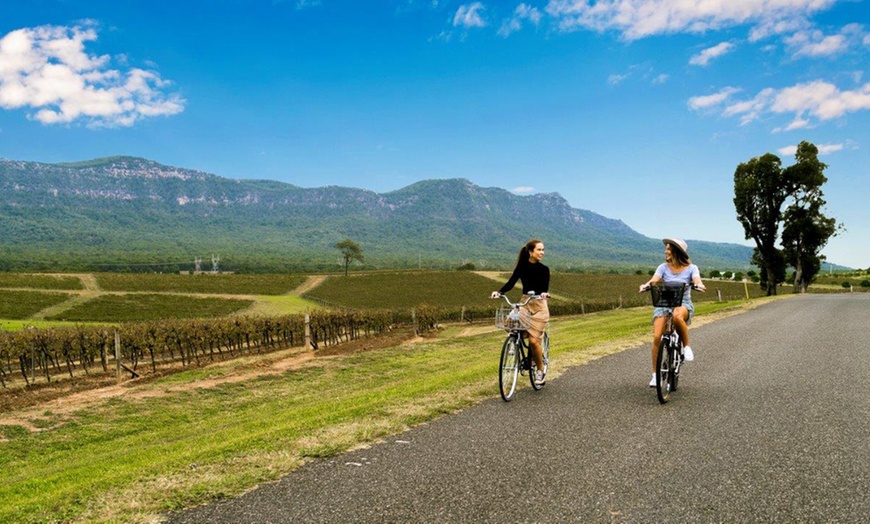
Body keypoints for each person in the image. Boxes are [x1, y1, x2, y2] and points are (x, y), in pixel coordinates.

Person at [639, 237, 706, 387]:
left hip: (683, 303)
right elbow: (654, 280)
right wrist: (646, 285)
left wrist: (699, 285)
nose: (666, 251)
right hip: (664, 303)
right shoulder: (663, 267)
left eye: (668, 249)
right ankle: (655, 375)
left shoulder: (692, 268)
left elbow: (697, 280)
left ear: (676, 251)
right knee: (657, 337)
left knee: (677, 316)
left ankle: (687, 347)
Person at [490, 239, 550, 385]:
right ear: (531, 251)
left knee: (533, 340)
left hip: (539, 305)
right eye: (539, 250)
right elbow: (511, 282)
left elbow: (544, 287)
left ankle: (540, 370)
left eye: (543, 250)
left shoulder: (544, 269)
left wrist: (543, 293)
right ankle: (514, 344)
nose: (542, 252)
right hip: (525, 303)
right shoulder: (522, 267)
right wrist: (499, 292)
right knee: (511, 323)